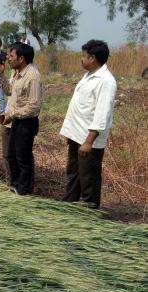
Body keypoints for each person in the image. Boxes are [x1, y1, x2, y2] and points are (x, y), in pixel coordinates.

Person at [60, 40, 117, 209]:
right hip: (77, 135)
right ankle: (69, 207)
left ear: (92, 58)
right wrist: (70, 133)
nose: (81, 59)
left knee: (88, 178)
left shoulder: (106, 81)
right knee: (74, 175)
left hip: (89, 141)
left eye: (83, 56)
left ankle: (89, 213)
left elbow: (101, 115)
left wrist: (88, 142)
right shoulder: (89, 76)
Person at [0, 42, 42, 195]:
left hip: (26, 123)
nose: (8, 59)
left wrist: (13, 114)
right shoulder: (17, 72)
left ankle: (24, 192)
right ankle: (16, 187)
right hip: (17, 121)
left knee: (23, 160)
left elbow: (34, 106)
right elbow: (9, 91)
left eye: (11, 56)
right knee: (12, 157)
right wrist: (1, 74)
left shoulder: (32, 76)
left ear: (21, 58)